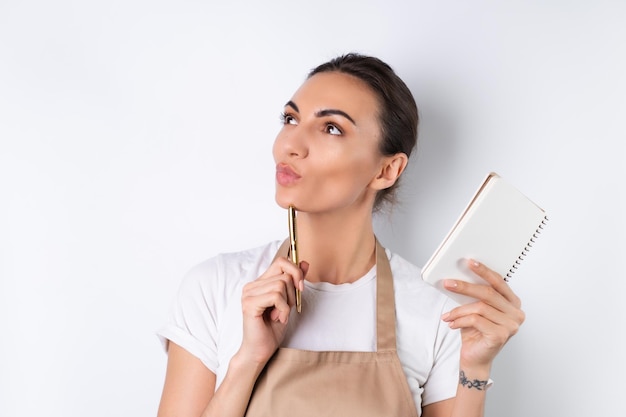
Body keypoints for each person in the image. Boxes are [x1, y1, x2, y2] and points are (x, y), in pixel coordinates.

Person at [156, 53, 525, 417]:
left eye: (331, 127)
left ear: (387, 170)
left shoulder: (437, 312)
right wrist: (247, 361)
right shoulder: (215, 287)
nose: (289, 145)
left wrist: (474, 372)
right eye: (290, 118)